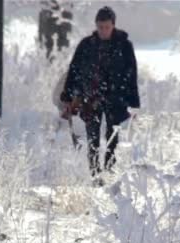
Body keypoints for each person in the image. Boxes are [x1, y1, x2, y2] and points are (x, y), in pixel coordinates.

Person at [60, 6, 140, 186]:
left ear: (113, 25)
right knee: (93, 140)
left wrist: (133, 104)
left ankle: (110, 175)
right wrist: (67, 97)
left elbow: (131, 75)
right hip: (91, 98)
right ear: (96, 26)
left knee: (113, 138)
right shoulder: (86, 45)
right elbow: (74, 71)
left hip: (116, 99)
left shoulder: (124, 46)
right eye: (100, 26)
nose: (103, 30)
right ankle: (95, 177)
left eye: (107, 27)